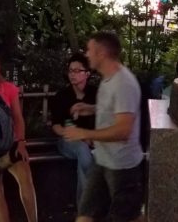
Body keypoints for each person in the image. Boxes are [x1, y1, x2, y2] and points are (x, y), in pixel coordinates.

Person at [64, 31, 144, 222]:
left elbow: (123, 130)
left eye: (90, 50)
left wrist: (84, 132)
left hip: (122, 166)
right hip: (103, 160)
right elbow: (115, 110)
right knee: (85, 214)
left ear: (101, 53)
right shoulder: (108, 79)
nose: (87, 54)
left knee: (126, 216)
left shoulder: (123, 84)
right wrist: (91, 109)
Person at [0, 55, 38, 222]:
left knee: (25, 177)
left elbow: (18, 117)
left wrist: (21, 142)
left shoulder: (7, 88)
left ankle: (33, 219)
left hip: (10, 141)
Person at [50, 53, 97, 204]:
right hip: (69, 141)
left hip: (94, 140)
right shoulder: (62, 96)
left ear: (87, 74)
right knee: (83, 151)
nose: (73, 74)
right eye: (71, 71)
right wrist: (79, 136)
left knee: (90, 156)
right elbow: (56, 126)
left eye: (77, 71)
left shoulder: (96, 94)